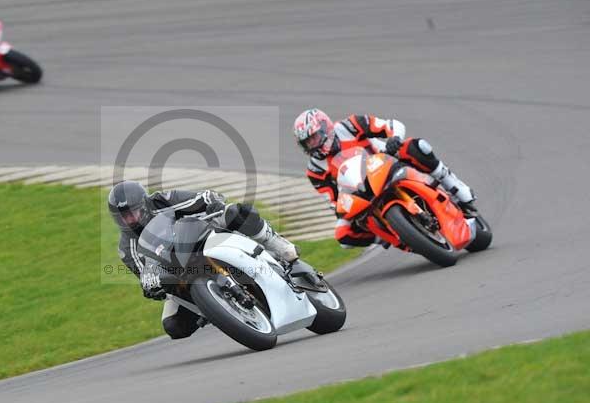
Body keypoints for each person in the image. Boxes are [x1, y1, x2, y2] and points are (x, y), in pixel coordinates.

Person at [108, 180, 298, 339]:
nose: (130, 220)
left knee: (235, 212)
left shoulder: (163, 200)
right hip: (180, 273)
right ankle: (216, 308)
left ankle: (277, 244)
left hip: (204, 236)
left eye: (133, 213)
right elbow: (145, 275)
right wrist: (151, 286)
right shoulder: (127, 248)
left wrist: (212, 202)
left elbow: (203, 197)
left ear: (144, 204)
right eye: (123, 217)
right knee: (173, 326)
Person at [293, 108, 476, 247]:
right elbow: (332, 200)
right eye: (307, 143)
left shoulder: (351, 125)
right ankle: (388, 235)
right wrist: (343, 210)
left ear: (326, 127)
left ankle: (455, 187)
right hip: (361, 193)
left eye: (314, 138)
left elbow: (392, 125)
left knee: (417, 146)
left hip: (385, 163)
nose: (313, 145)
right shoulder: (315, 170)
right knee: (343, 235)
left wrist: (393, 138)